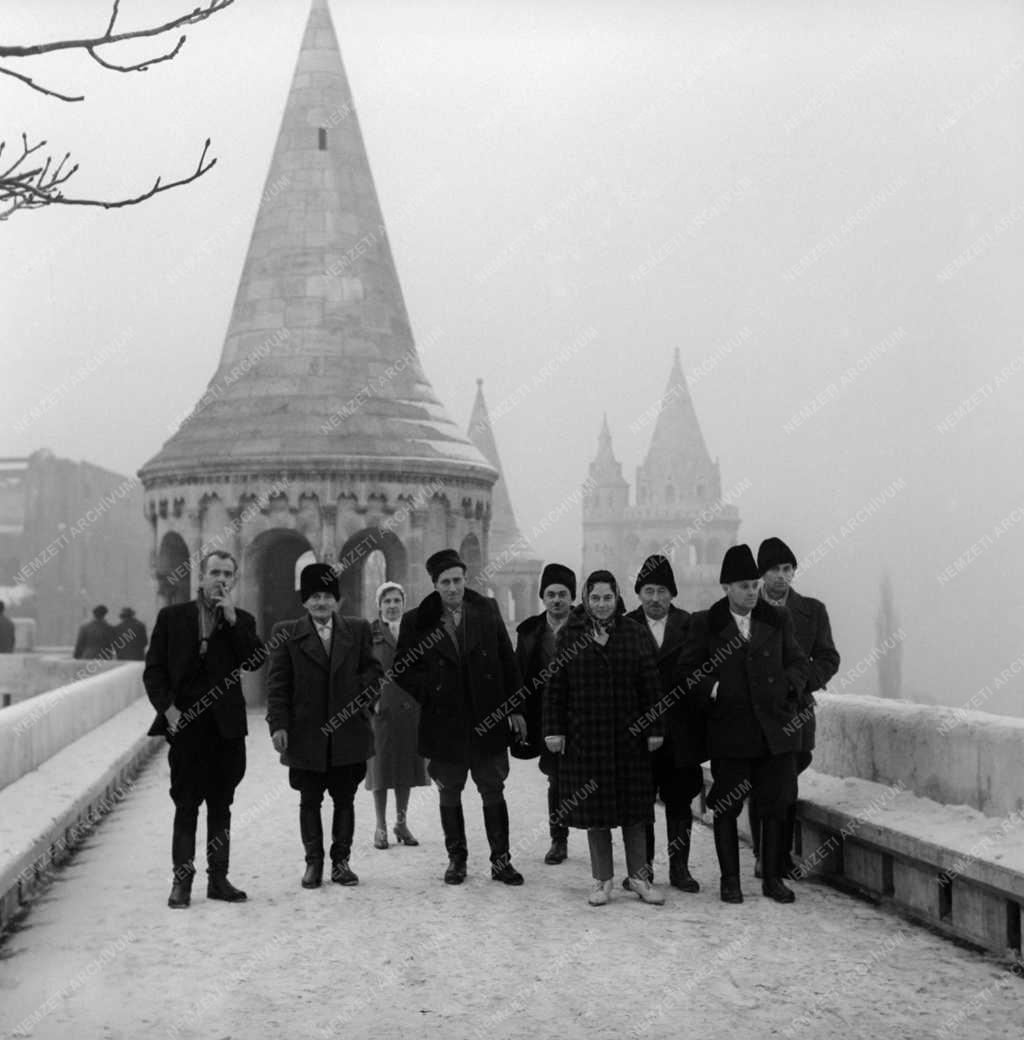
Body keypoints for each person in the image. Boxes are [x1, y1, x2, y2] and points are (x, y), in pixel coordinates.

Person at [677, 544, 809, 905]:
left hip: (776, 731)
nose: (751, 592)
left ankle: (771, 879)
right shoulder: (707, 622)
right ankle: (730, 880)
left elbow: (799, 663)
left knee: (776, 803)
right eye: (743, 586)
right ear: (726, 587)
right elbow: (687, 671)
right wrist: (715, 688)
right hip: (731, 732)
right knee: (727, 804)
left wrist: (786, 687)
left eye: (754, 584)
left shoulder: (777, 619)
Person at [394, 548, 526, 886]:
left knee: (493, 788)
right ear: (435, 585)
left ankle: (501, 861)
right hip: (444, 723)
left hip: (488, 718)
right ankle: (457, 859)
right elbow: (402, 670)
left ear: (465, 579)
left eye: (458, 580)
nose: (453, 588)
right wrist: (432, 690)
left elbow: (508, 661)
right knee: (449, 790)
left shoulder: (486, 610)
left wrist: (515, 707)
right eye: (445, 582)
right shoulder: (416, 621)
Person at [143, 550, 265, 909]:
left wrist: (232, 620)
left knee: (222, 805)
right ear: (201, 577)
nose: (221, 579)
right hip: (187, 728)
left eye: (228, 573)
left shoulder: (241, 620)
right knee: (186, 806)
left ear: (235, 580)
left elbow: (256, 660)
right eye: (215, 572)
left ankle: (218, 878)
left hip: (226, 730)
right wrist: (169, 711)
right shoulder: (172, 617)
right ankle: (182, 881)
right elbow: (154, 671)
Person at [543, 569, 666, 907]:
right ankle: (602, 880)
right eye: (594, 598)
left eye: (607, 597)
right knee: (596, 813)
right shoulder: (571, 635)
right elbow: (556, 688)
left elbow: (651, 685)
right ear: (586, 598)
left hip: (630, 738)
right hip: (588, 737)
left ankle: (640, 877)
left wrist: (655, 728)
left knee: (635, 810)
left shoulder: (635, 634)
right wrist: (554, 730)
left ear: (617, 598)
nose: (601, 604)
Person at [267, 563, 382, 889]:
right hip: (305, 734)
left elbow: (373, 675)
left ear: (337, 600)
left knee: (345, 799)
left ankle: (341, 862)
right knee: (309, 799)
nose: (321, 603)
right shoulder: (286, 633)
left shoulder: (357, 630)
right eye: (314, 596)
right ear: (304, 601)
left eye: (327, 596)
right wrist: (279, 725)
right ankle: (313, 863)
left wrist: (355, 703)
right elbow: (278, 684)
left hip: (348, 733)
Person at [749, 537, 840, 878]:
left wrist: (801, 682)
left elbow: (829, 657)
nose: (782, 576)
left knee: (786, 786)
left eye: (788, 569)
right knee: (763, 784)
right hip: (756, 715)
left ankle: (778, 854)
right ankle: (767, 855)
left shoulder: (812, 611)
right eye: (774, 569)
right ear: (762, 573)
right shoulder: (746, 609)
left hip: (796, 713)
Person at [626, 553, 703, 892]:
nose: (655, 599)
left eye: (661, 591)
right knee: (641, 802)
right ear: (639, 594)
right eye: (648, 591)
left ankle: (679, 869)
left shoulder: (690, 626)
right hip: (639, 735)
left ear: (672, 594)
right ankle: (643, 870)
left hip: (681, 732)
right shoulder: (625, 627)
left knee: (680, 801)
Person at [512, 563, 576, 864]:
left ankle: (598, 836)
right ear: (542, 597)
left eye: (563, 594)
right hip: (545, 717)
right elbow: (517, 674)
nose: (556, 600)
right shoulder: (529, 632)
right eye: (550, 594)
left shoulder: (588, 627)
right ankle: (558, 838)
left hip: (583, 714)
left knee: (590, 776)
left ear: (572, 597)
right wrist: (518, 711)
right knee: (556, 777)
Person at [364, 581, 428, 850]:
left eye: (396, 601)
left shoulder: (415, 631)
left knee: (406, 767)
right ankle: (380, 826)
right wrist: (370, 700)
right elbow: (361, 670)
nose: (392, 606)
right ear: (379, 605)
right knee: (379, 769)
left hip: (410, 708)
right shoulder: (369, 633)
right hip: (381, 709)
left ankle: (401, 822)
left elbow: (425, 667)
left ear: (403, 603)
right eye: (387, 601)